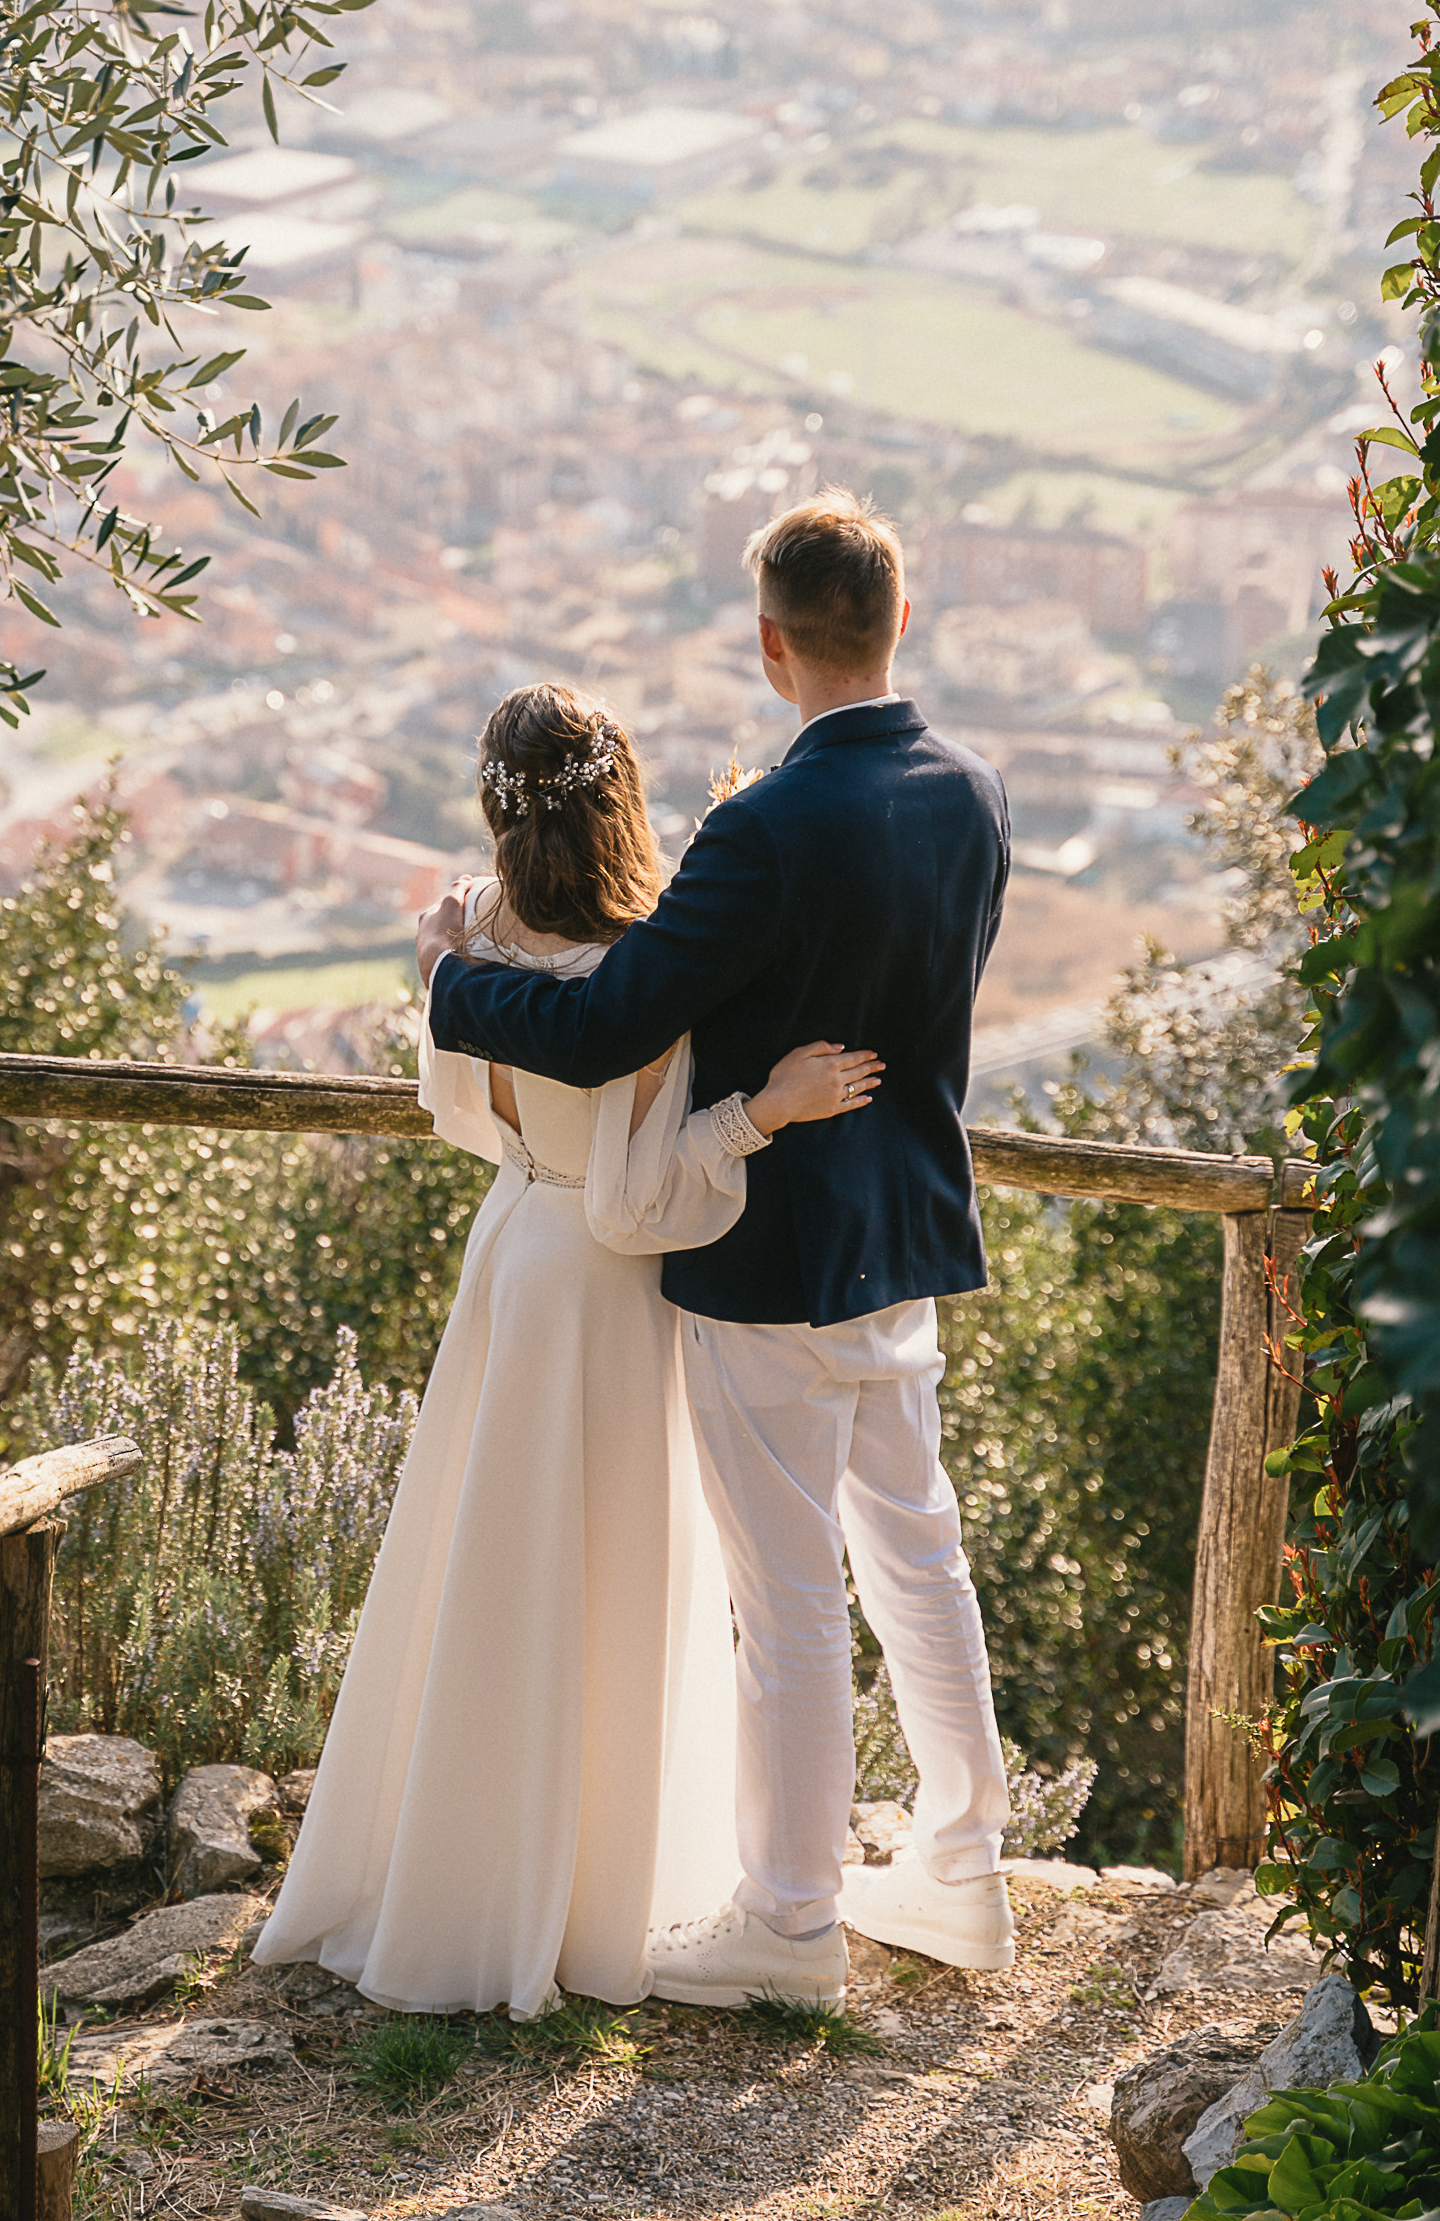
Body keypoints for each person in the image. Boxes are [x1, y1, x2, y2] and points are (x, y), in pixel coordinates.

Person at [418, 492, 1016, 2005]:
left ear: (771, 644)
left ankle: (792, 1924)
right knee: (920, 1559)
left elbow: (611, 1020)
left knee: (791, 1601)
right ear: (901, 620)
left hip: (775, 1257)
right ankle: (967, 1874)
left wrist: (449, 985)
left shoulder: (762, 830)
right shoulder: (975, 791)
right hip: (908, 1237)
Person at [254, 683, 881, 2020]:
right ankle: (593, 1899)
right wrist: (759, 1114)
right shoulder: (644, 965)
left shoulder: (467, 939)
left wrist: (529, 1152)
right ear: (622, 799)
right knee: (601, 1583)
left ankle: (457, 1886)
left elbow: (458, 1114)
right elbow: (637, 1203)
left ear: (495, 803)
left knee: (487, 1574)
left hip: (508, 1251)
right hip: (603, 1292)